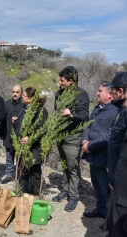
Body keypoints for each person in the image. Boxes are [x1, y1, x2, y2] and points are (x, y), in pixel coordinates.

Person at [51, 66, 90, 212]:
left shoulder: (82, 94)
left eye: (62, 80)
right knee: (64, 165)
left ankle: (73, 197)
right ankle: (65, 190)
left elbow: (85, 116)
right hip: (60, 136)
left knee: (73, 168)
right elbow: (56, 113)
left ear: (70, 81)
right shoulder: (59, 94)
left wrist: (71, 115)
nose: (60, 82)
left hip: (73, 138)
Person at [81, 82, 118, 219]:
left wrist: (90, 146)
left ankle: (109, 217)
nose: (97, 93)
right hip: (92, 157)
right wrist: (85, 141)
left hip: (104, 158)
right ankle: (101, 209)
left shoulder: (115, 111)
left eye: (100, 91)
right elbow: (88, 126)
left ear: (109, 95)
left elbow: (109, 135)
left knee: (106, 189)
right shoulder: (97, 108)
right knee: (97, 186)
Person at [102, 72, 127, 235]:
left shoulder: (123, 115)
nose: (112, 94)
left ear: (122, 92)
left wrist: (112, 174)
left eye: (114, 90)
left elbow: (114, 143)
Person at [13, 87, 48, 195]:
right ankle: (23, 192)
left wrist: (30, 137)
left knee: (34, 173)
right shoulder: (24, 107)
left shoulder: (41, 111)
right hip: (22, 147)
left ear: (31, 98)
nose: (22, 97)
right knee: (22, 171)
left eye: (24, 96)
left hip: (34, 148)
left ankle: (34, 194)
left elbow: (42, 129)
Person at [0, 84, 25, 184]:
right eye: (13, 92)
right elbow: (2, 120)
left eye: (17, 92)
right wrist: (1, 133)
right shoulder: (6, 104)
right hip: (8, 134)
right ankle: (9, 174)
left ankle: (20, 176)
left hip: (20, 136)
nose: (15, 94)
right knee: (9, 156)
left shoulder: (25, 105)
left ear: (21, 93)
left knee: (20, 157)